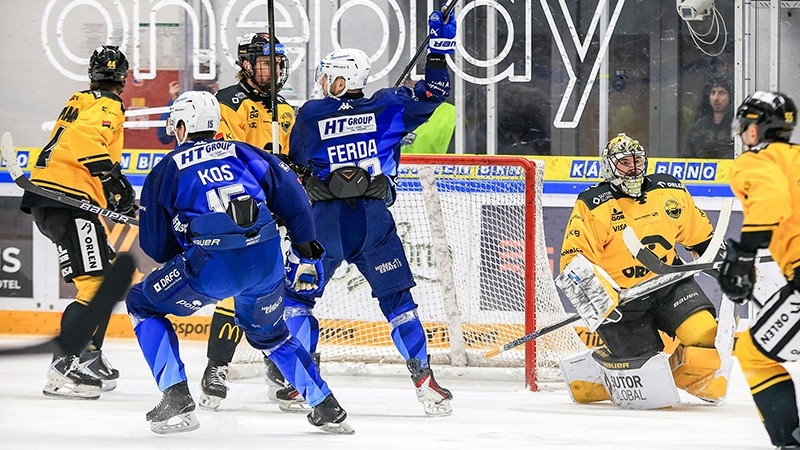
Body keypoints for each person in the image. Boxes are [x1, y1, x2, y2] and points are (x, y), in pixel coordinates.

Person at [125, 90, 352, 435]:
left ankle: (176, 397)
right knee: (273, 335)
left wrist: (183, 236)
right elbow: (296, 202)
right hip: (266, 262)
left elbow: (157, 248)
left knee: (141, 303)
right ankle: (326, 407)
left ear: (182, 127)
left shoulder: (166, 169)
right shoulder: (245, 152)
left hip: (213, 266)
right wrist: (306, 252)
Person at [278, 8, 457, 417]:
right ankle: (426, 382)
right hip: (375, 220)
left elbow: (297, 164)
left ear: (342, 80)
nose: (324, 84)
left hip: (324, 224)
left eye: (329, 77)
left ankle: (298, 382)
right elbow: (435, 93)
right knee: (399, 302)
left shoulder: (310, 113)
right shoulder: (390, 106)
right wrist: (438, 50)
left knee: (297, 302)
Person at [556, 133, 729, 409]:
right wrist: (600, 300)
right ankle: (598, 374)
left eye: (637, 161)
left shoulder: (668, 190)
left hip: (669, 284)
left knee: (704, 333)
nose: (634, 168)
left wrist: (725, 263)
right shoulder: (593, 204)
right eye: (625, 163)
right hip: (623, 300)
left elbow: (700, 235)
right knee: (646, 377)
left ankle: (692, 376)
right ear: (610, 167)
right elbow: (572, 261)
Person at [19, 45, 136, 400]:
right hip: (67, 199)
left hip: (53, 197)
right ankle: (64, 366)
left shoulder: (79, 99)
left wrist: (111, 188)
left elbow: (72, 140)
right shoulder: (110, 104)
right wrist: (114, 180)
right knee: (95, 287)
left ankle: (88, 355)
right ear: (124, 78)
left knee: (108, 276)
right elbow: (85, 139)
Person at [198, 32, 296, 410]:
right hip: (236, 211)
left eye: (278, 63)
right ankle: (216, 368)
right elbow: (224, 155)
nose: (274, 70)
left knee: (274, 291)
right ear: (246, 64)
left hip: (275, 214)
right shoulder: (227, 103)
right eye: (266, 62)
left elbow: (292, 161)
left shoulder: (285, 111)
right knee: (237, 290)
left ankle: (277, 369)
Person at [719, 91, 800, 448]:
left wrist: (743, 256)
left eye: (746, 126)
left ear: (755, 130)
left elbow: (770, 201)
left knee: (754, 354)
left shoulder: (755, 161)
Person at [156, 61, 220, 146]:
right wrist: (174, 102)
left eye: (204, 72)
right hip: (185, 154)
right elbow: (164, 137)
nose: (199, 77)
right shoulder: (180, 101)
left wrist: (218, 99)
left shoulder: (220, 101)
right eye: (196, 71)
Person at [683, 74, 734, 159]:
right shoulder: (699, 126)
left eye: (721, 93)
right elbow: (688, 158)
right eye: (713, 93)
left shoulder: (736, 125)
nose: (716, 98)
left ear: (730, 96)